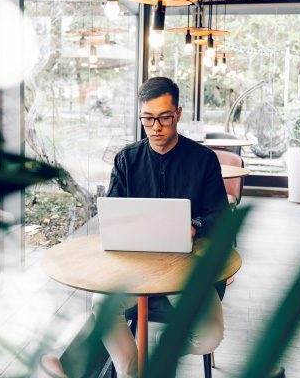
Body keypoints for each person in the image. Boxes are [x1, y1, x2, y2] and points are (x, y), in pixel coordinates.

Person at [92, 77, 229, 378]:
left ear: (178, 114)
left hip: (187, 272)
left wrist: (193, 226)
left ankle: (157, 354)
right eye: (148, 119)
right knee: (100, 304)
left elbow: (220, 217)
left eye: (164, 118)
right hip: (135, 272)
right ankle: (133, 371)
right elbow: (113, 215)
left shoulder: (204, 161)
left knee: (209, 336)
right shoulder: (127, 161)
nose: (156, 127)